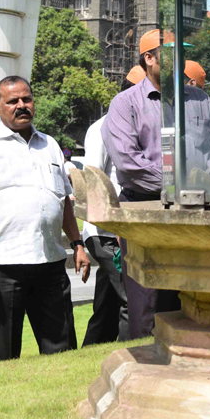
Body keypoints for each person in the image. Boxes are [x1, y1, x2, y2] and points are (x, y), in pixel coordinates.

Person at [103, 29, 210, 338]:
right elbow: (128, 163)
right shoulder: (125, 104)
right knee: (147, 301)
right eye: (171, 54)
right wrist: (176, 185)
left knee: (189, 294)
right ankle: (147, 368)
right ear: (149, 59)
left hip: (195, 212)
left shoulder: (199, 99)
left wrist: (198, 186)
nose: (180, 60)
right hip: (146, 211)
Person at [0, 76, 91, 362]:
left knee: (62, 350)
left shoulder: (50, 144)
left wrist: (77, 244)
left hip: (50, 263)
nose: (21, 106)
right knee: (5, 353)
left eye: (26, 99)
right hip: (4, 267)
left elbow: (64, 200)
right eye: (12, 101)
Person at [80, 68, 145, 346]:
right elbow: (94, 180)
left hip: (129, 225)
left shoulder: (141, 123)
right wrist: (115, 227)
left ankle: (92, 348)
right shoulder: (103, 127)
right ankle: (134, 352)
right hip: (107, 231)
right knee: (134, 296)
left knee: (108, 300)